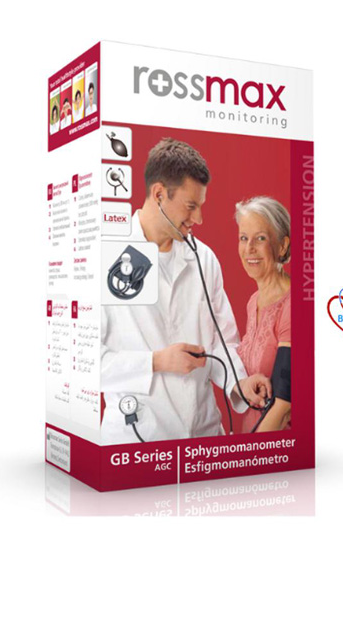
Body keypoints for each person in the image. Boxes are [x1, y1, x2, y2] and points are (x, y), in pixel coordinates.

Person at [101, 138, 268, 444]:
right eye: (191, 206)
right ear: (159, 195)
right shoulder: (104, 255)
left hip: (203, 435)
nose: (199, 219)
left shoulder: (203, 258)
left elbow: (222, 342)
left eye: (200, 206)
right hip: (136, 438)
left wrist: (238, 384)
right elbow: (85, 365)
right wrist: (156, 361)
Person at [235, 196, 292, 433]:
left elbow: (284, 406)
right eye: (243, 238)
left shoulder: (293, 306)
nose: (249, 248)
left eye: (260, 238)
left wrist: (249, 449)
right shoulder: (253, 302)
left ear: (282, 246)